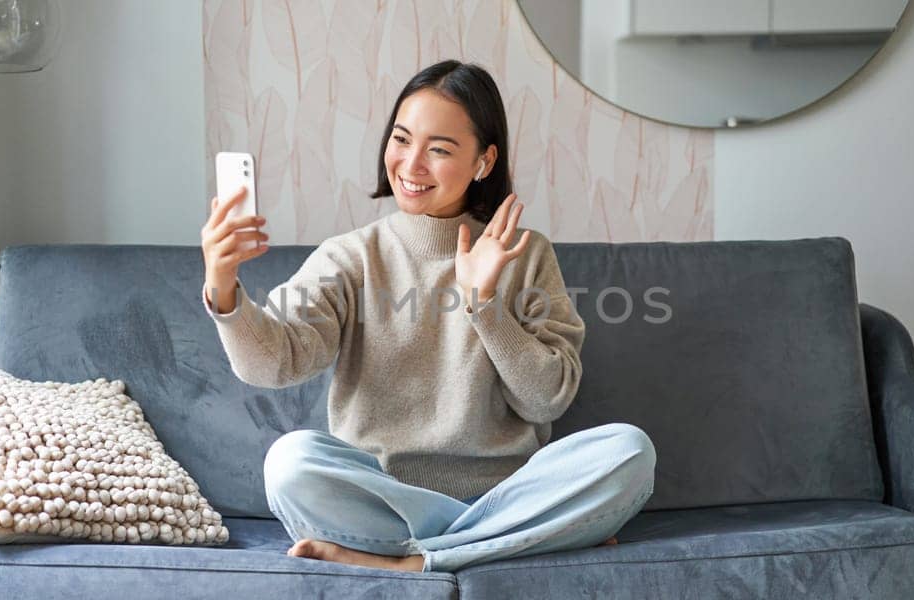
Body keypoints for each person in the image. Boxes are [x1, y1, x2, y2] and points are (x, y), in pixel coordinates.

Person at [198, 60, 654, 573]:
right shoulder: (350, 257)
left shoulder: (524, 255)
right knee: (290, 462)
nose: (411, 165)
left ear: (483, 161)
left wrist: (485, 304)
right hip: (388, 500)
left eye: (439, 149)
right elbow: (272, 364)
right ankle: (503, 546)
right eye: (401, 139)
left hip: (504, 495)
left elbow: (545, 400)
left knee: (629, 452)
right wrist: (224, 287)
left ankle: (408, 564)